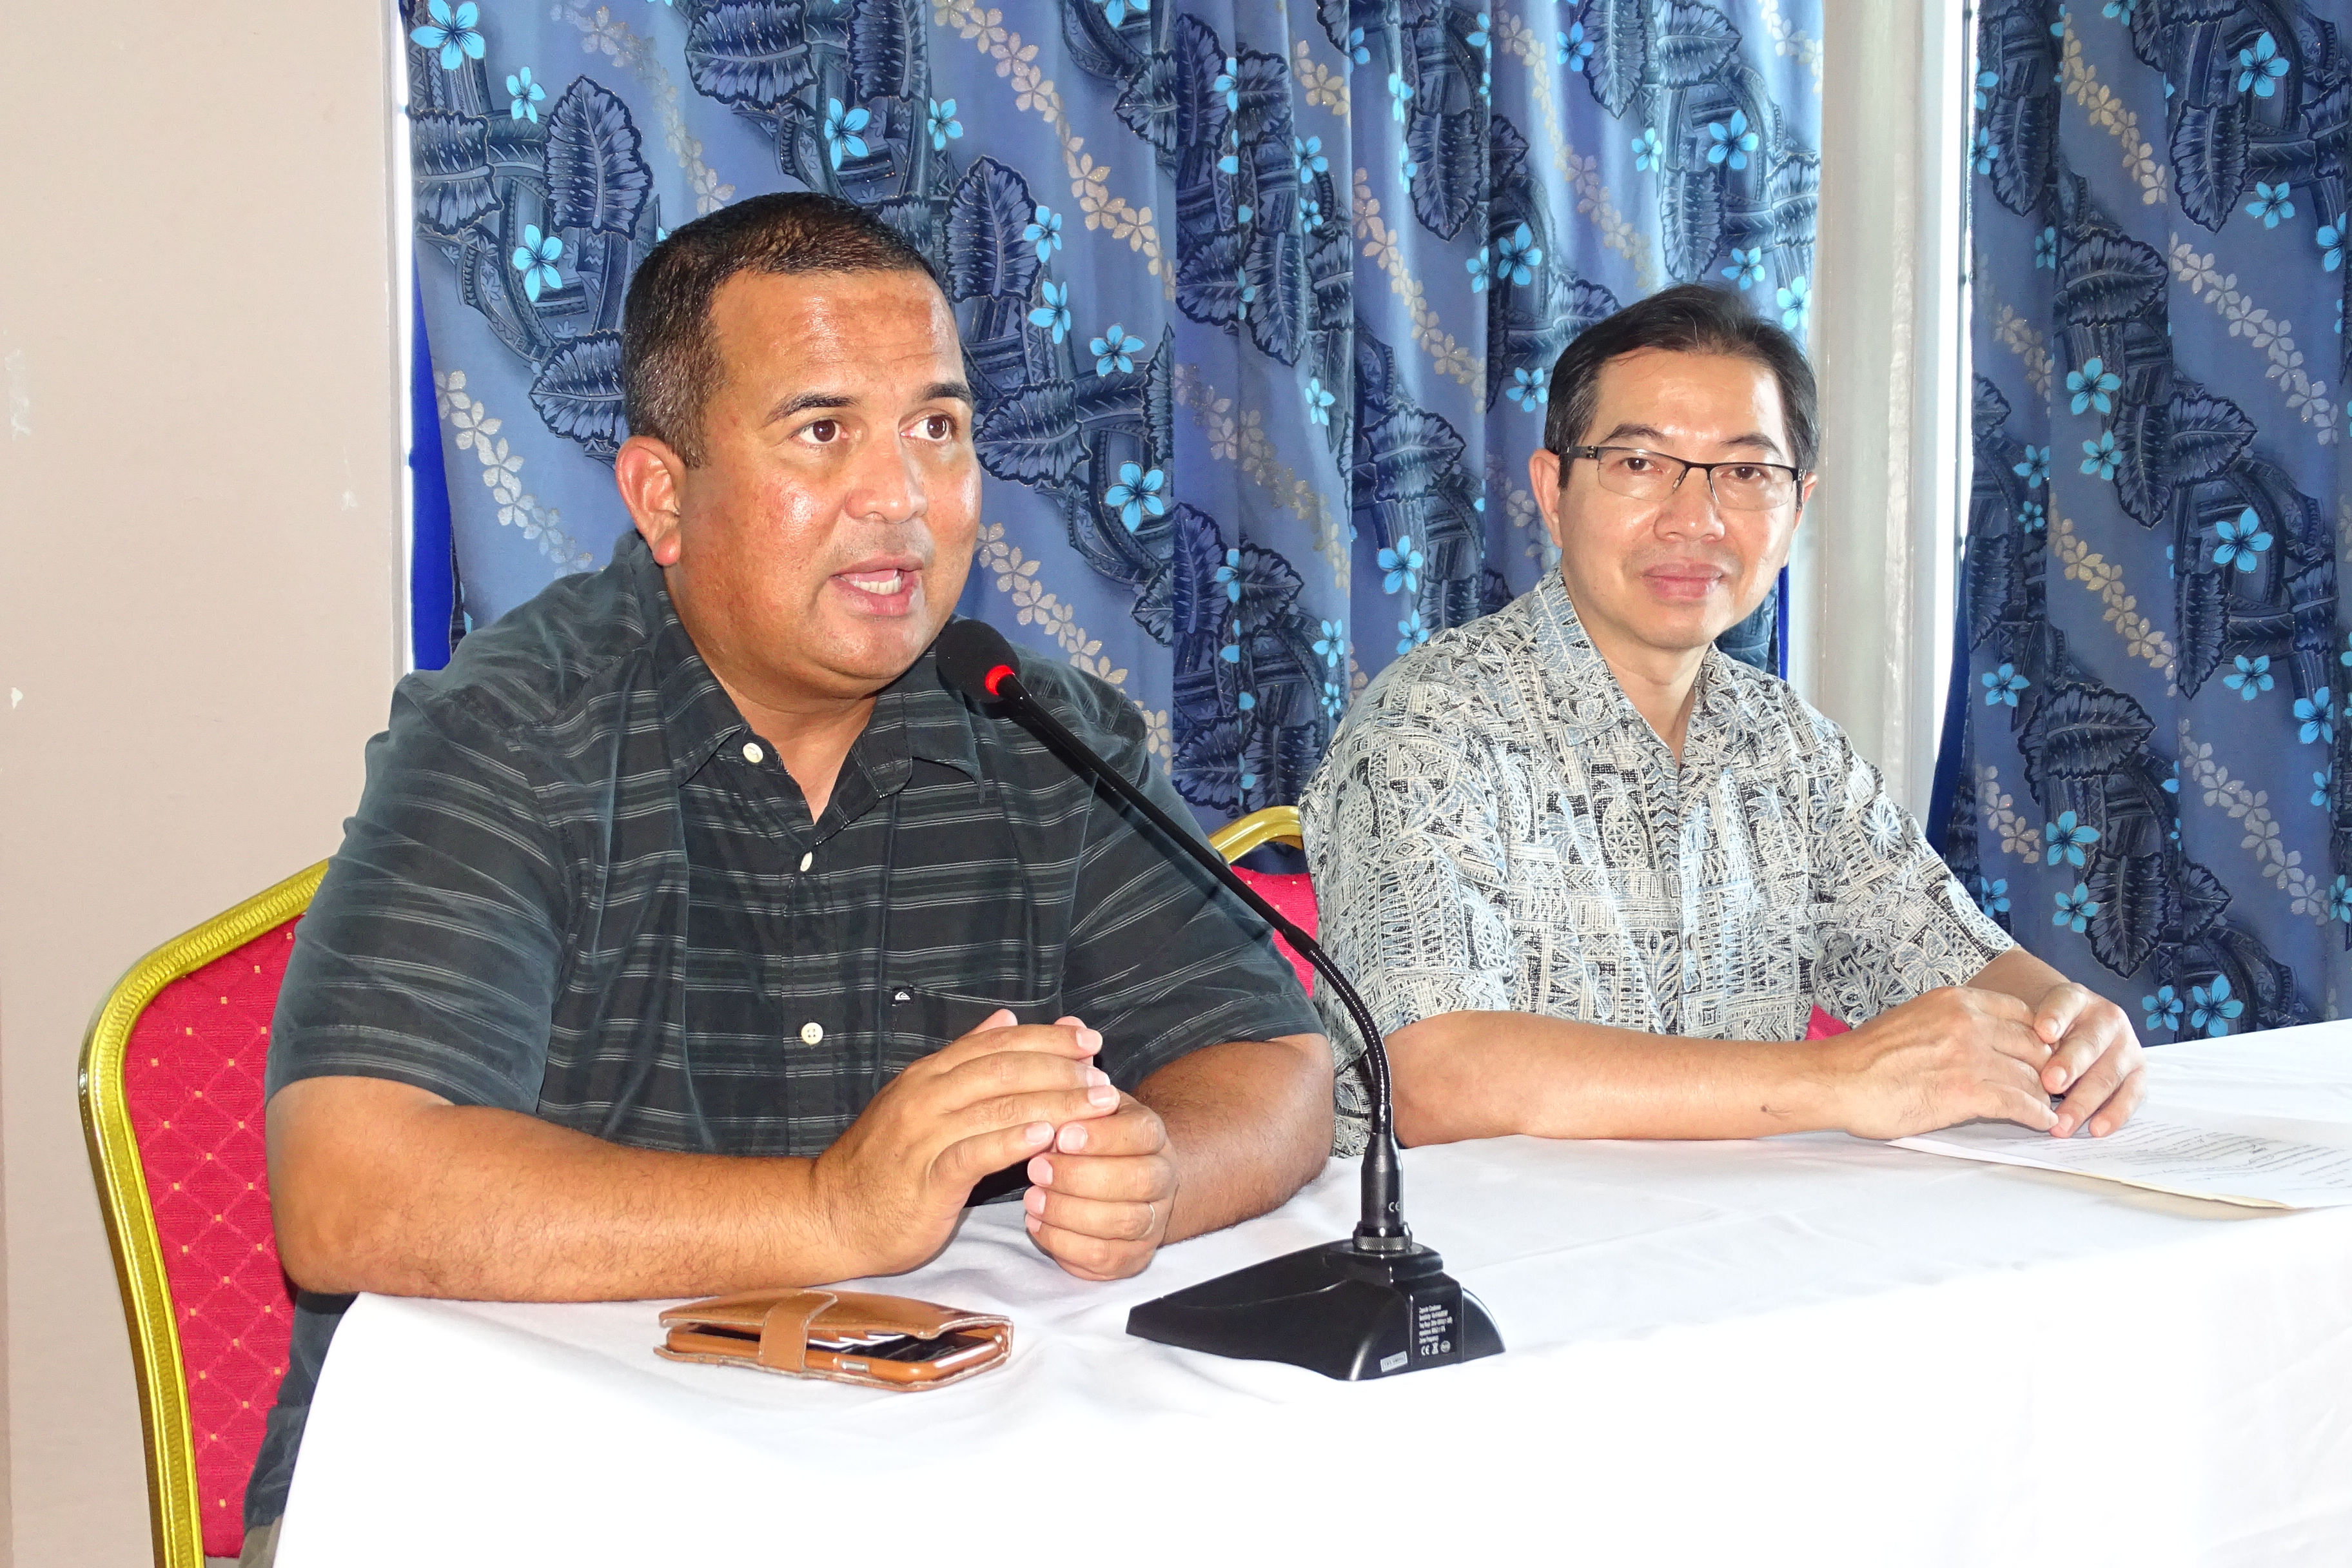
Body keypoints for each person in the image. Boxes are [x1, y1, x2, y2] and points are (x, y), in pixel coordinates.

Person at [242, 193, 1331, 1563]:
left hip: (917, 1483)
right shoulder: (515, 731)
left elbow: (1277, 1061)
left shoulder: (1032, 728)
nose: (900, 499)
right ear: (663, 497)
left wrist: (1161, 1172)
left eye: (936, 429)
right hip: (504, 1488)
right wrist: (831, 1207)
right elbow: (348, 1185)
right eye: (823, 432)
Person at [1300, 284, 2144, 1155]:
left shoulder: (1790, 747)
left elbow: (1960, 964)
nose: (1694, 520)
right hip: (1465, 1234)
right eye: (1639, 464)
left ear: (1796, 506)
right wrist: (1841, 1078)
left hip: (1736, 1228)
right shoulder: (1429, 728)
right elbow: (1430, 1075)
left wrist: (2071, 1024)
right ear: (1554, 491)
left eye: (1745, 474)